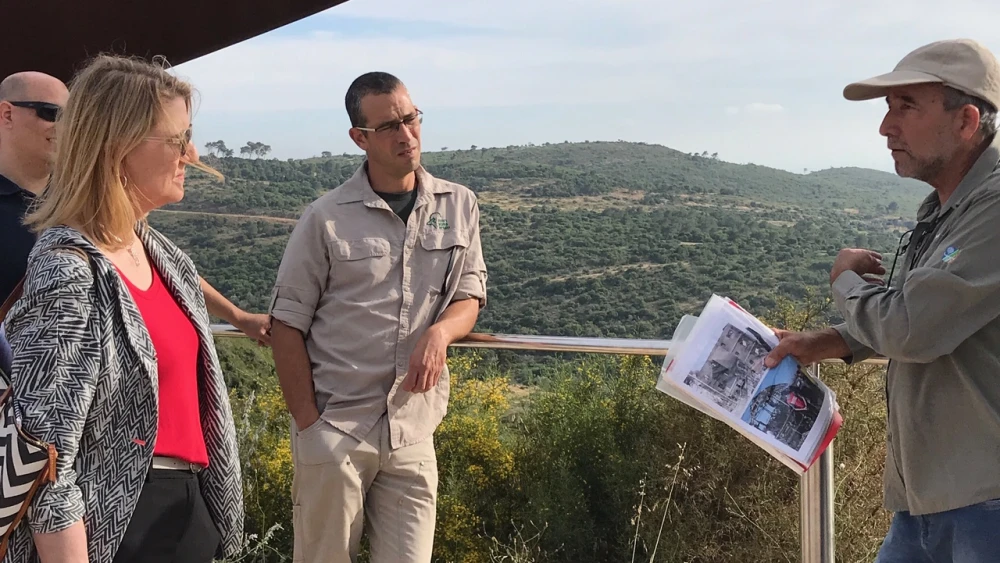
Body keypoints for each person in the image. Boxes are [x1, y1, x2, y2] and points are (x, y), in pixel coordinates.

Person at [765, 38, 1000, 563]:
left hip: (985, 504)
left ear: (966, 121)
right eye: (888, 109)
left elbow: (911, 329)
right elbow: (938, 316)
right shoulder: (945, 209)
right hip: (928, 500)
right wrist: (830, 342)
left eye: (906, 107)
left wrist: (845, 281)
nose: (885, 127)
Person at [4, 54, 244, 562]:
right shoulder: (68, 267)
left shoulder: (167, 259)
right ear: (117, 144)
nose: (192, 153)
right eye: (177, 138)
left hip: (188, 513)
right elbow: (45, 458)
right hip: (119, 530)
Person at [269, 71, 488, 562]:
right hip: (336, 428)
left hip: (412, 427)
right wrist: (310, 426)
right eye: (389, 126)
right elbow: (285, 324)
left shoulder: (458, 204)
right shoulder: (324, 217)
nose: (406, 135)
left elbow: (469, 295)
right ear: (359, 138)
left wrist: (440, 333)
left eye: (411, 119)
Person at [0, 71, 270, 378]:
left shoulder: (91, 210)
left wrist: (237, 316)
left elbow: (170, 273)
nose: (66, 127)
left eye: (72, 116)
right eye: (52, 114)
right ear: (7, 114)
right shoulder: (69, 241)